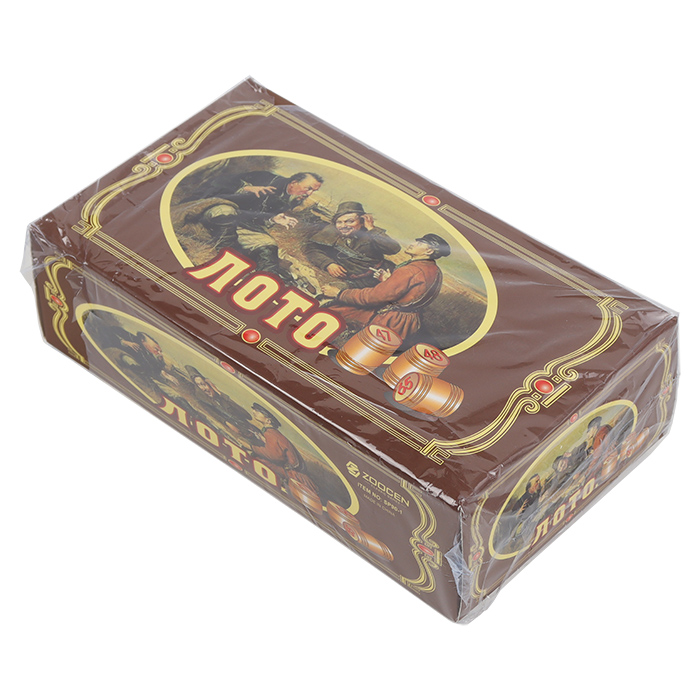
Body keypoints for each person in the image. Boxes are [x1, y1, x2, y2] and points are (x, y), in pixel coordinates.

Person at [181, 170, 324, 278]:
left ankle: (267, 279)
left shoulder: (292, 200)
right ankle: (228, 257)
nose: (309, 194)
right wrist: (245, 188)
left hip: (240, 220)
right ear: (293, 183)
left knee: (268, 244)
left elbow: (254, 217)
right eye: (308, 188)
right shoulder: (266, 178)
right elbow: (219, 183)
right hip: (213, 208)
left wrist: (272, 219)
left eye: (313, 191)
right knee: (226, 211)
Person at [321, 233, 450, 342]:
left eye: (420, 244)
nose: (412, 244)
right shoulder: (434, 270)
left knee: (332, 311)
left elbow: (373, 297)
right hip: (409, 322)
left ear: (429, 251)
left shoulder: (410, 270)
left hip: (389, 320)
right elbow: (412, 293)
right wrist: (388, 281)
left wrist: (339, 293)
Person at [304, 201, 401, 288]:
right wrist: (328, 264)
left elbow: (394, 248)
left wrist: (372, 229)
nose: (343, 226)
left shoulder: (372, 234)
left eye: (350, 221)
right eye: (339, 222)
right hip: (352, 280)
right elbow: (311, 249)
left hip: (377, 278)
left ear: (362, 222)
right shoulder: (332, 230)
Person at [248, 403, 305, 483]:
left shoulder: (271, 434)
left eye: (258, 411)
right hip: (288, 469)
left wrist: (252, 447)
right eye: (254, 410)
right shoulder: (272, 432)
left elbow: (273, 456)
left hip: (290, 472)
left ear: (268, 421)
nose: (254, 412)